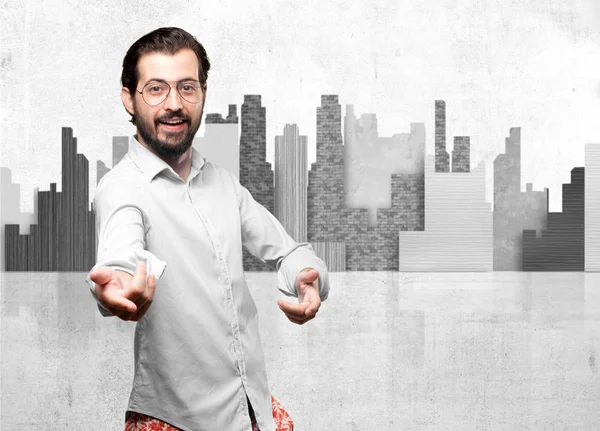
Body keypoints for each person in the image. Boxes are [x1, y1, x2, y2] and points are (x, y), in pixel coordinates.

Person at [85, 27, 330, 431]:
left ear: (203, 92)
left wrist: (308, 278)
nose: (174, 105)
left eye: (186, 87)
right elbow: (119, 258)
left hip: (252, 408)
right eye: (156, 89)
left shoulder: (222, 183)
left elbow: (289, 252)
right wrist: (113, 289)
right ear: (128, 97)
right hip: (174, 419)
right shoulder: (122, 188)